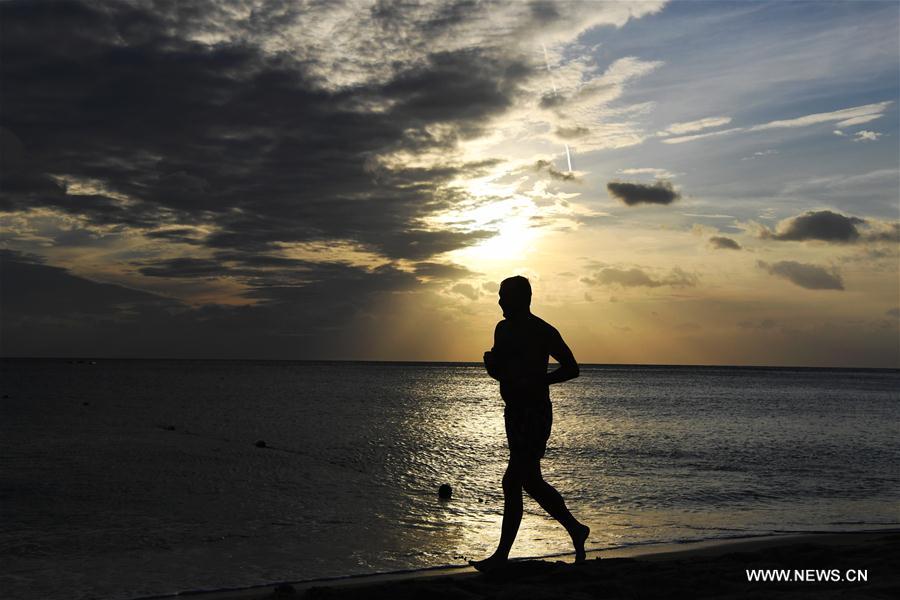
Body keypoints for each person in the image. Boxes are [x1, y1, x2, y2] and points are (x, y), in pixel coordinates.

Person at [470, 275, 589, 573]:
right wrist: (493, 368)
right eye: (499, 296)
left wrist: (540, 379)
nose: (499, 302)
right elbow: (503, 370)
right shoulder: (502, 329)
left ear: (521, 298)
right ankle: (576, 529)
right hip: (513, 411)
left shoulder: (543, 331)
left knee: (513, 481)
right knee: (530, 480)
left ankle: (501, 556)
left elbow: (572, 368)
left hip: (535, 412)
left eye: (504, 296)